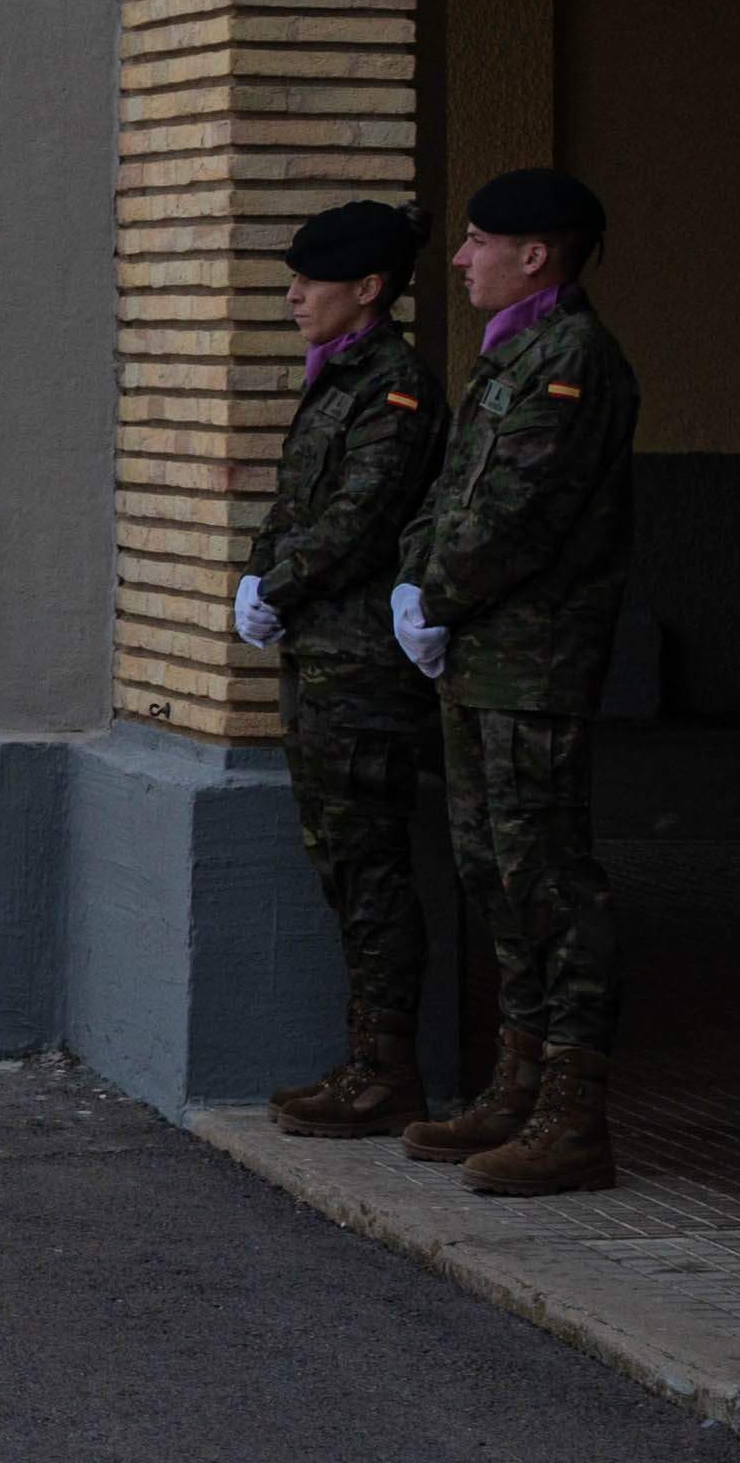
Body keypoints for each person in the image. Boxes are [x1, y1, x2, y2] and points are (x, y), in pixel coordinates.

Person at [395, 161, 642, 1199]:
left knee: (546, 878)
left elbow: (518, 514)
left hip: (531, 664)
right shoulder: (507, 358)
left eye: (474, 242)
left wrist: (435, 594)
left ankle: (571, 1117)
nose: (456, 260)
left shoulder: (569, 359)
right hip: (478, 661)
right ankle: (517, 1080)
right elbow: (450, 491)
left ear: (531, 254)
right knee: (489, 869)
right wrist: (415, 580)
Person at [241, 199, 449, 1146]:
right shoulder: (337, 379)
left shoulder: (394, 387)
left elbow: (359, 518)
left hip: (360, 669)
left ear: (367, 289)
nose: (292, 297)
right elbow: (298, 501)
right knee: (341, 862)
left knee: (369, 868)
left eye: (310, 281)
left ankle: (386, 1070)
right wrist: (260, 568)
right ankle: (366, 1059)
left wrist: (276, 583)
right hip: (320, 656)